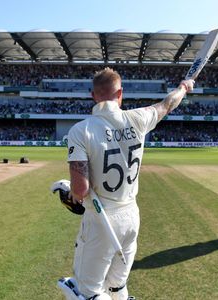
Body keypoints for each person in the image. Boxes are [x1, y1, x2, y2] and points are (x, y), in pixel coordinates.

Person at [65, 67, 194, 299]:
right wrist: (184, 87)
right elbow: (167, 104)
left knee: (88, 292)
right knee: (117, 285)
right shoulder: (139, 117)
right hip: (131, 215)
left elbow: (80, 190)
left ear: (93, 95)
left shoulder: (80, 130)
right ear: (120, 93)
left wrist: (68, 193)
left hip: (102, 218)